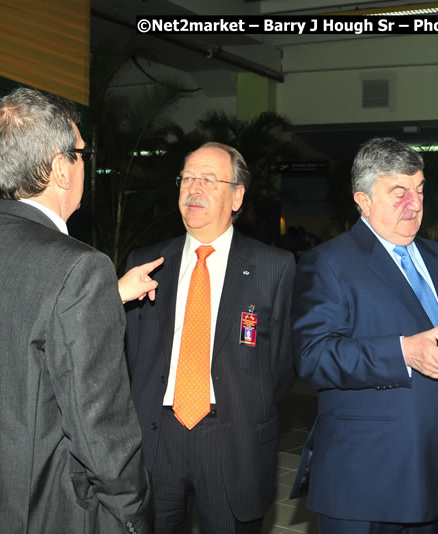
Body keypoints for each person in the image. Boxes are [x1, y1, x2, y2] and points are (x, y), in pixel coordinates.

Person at [0, 87, 153, 533]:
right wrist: (133, 514)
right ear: (60, 168)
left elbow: (17, 337)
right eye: (81, 153)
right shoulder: (80, 266)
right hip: (56, 511)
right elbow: (100, 428)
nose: (84, 164)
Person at [290, 137, 438, 534]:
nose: (414, 204)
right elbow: (313, 357)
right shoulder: (327, 263)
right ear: (363, 200)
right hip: (368, 479)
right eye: (399, 193)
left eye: (419, 190)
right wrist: (402, 353)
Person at [124, 142, 296, 533]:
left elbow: (282, 364)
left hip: (232, 442)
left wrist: (244, 406)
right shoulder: (145, 263)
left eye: (208, 179)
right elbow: (131, 354)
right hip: (157, 439)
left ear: (237, 196)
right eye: (187, 178)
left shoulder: (274, 266)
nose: (194, 189)